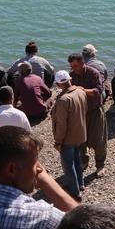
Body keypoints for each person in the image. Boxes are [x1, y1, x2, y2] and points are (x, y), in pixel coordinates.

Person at [50, 71, 88, 199]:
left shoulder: (63, 100)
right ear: (69, 80)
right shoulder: (81, 92)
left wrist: (58, 141)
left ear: (58, 84)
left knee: (68, 164)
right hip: (80, 133)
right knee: (77, 159)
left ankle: (75, 192)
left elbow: (61, 124)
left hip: (68, 137)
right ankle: (80, 183)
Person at [69, 54, 107, 171]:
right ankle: (84, 160)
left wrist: (82, 90)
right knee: (81, 138)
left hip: (95, 109)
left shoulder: (94, 73)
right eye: (71, 66)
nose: (73, 68)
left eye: (75, 65)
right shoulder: (72, 75)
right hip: (80, 111)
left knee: (99, 139)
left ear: (82, 63)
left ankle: (100, 165)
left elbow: (99, 90)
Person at [13, 62, 53, 127]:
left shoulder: (19, 80)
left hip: (27, 115)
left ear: (22, 71)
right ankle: (42, 107)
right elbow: (48, 93)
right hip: (41, 113)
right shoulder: (37, 78)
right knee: (50, 99)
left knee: (22, 105)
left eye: (19, 69)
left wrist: (14, 107)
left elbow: (15, 98)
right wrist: (42, 99)